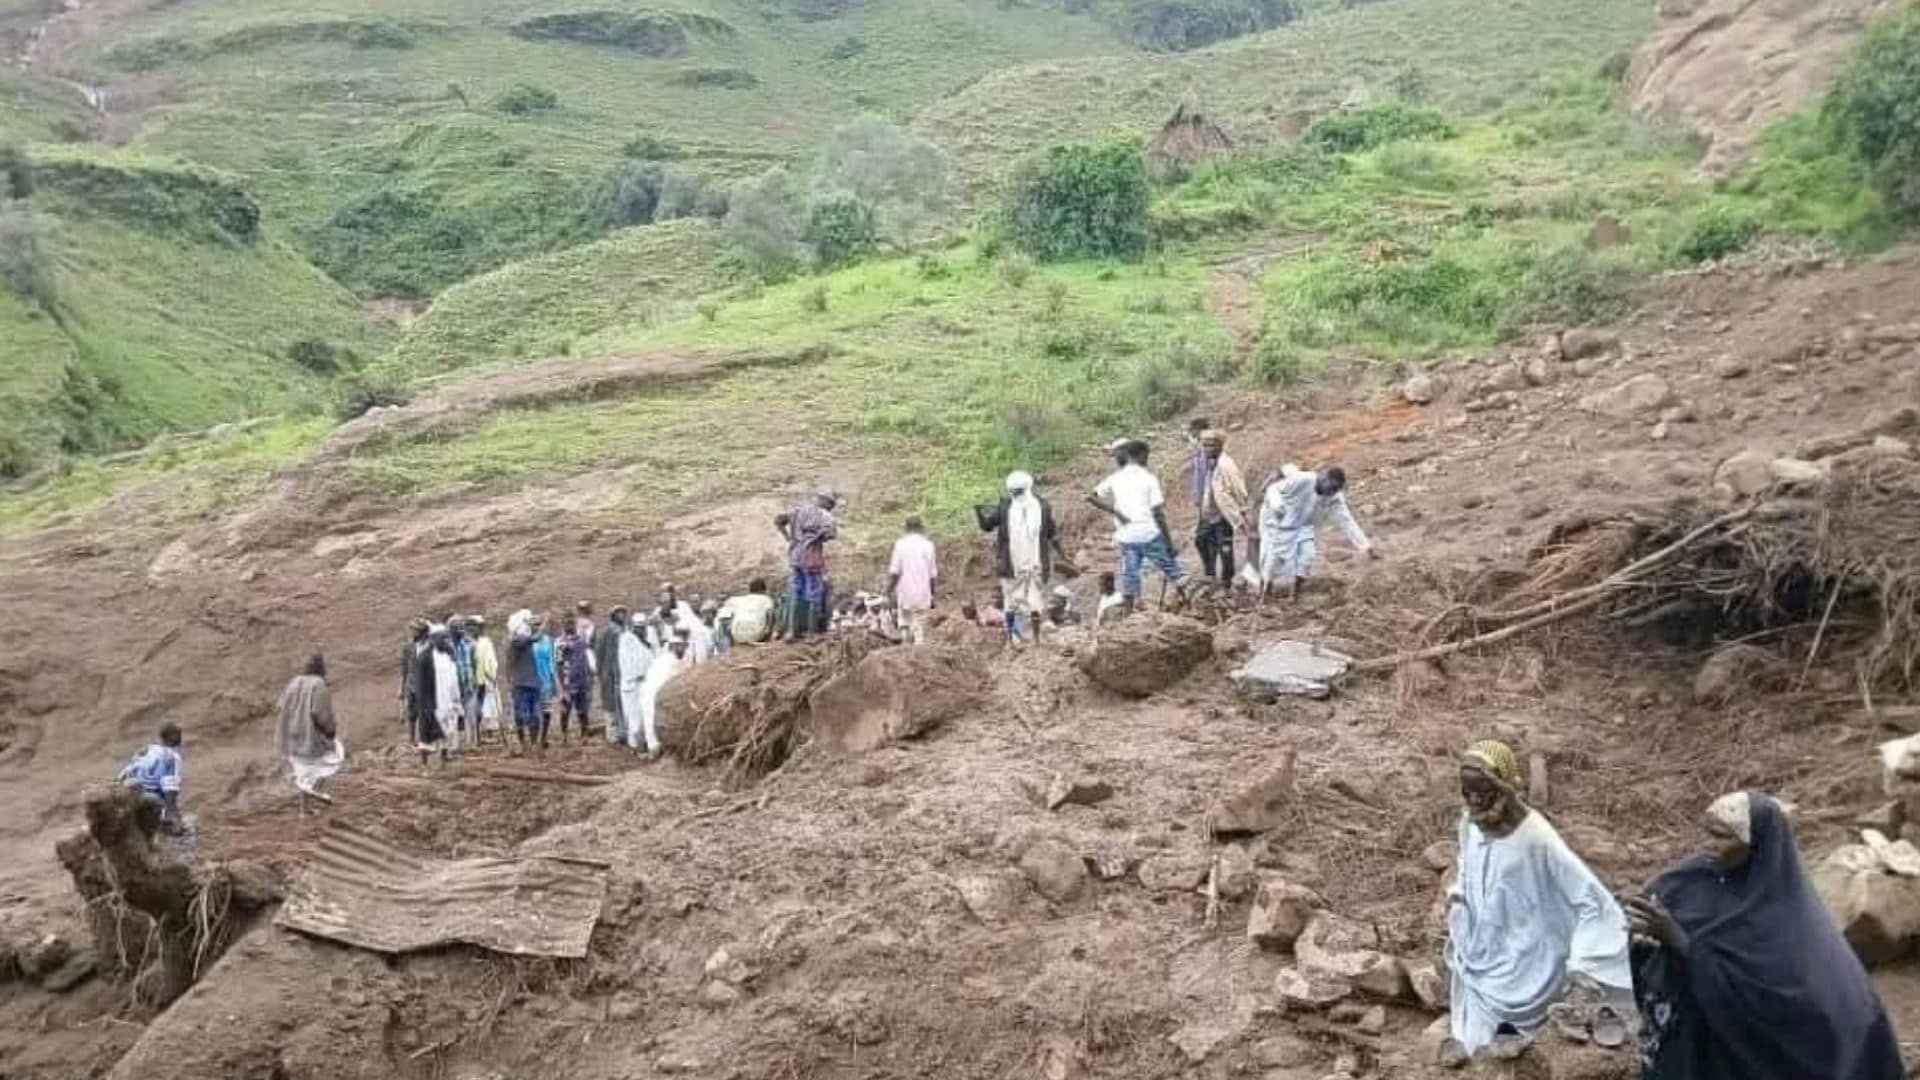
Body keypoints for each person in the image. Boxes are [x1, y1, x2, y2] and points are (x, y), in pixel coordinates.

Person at [1625, 792, 1905, 1080]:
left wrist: (1680, 942)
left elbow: (1763, 1003)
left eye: (1723, 837)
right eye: (1708, 833)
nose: (1709, 845)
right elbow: (1653, 900)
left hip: (1759, 1053)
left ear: (1755, 846)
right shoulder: (1697, 873)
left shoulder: (1783, 917)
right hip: (1698, 1038)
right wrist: (1643, 933)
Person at [1443, 740, 1632, 1066]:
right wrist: (1459, 895)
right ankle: (1478, 1040)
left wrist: (1583, 964)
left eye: (1482, 791)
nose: (1474, 800)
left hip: (1531, 951)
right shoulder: (1471, 822)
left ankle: (1517, 1030)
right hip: (1485, 941)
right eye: (1467, 791)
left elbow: (1590, 898)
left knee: (1516, 995)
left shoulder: (1536, 838)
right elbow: (1467, 863)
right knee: (1472, 1003)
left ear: (1503, 787)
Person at [1090, 440, 1187, 612]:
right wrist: (1168, 542)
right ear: (1142, 455)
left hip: (1127, 536)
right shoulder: (1148, 478)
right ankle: (1188, 602)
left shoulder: (1115, 478)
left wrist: (1115, 511)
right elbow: (1158, 513)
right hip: (1148, 534)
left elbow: (1091, 496)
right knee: (1171, 568)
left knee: (1130, 574)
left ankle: (1127, 613)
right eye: (1146, 456)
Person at [1258, 462, 1373, 601]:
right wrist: (1278, 506)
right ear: (1323, 477)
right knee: (1273, 558)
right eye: (1330, 488)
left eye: (1335, 490)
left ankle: (1294, 595)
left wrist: (1366, 546)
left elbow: (1347, 522)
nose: (1330, 493)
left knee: (1307, 557)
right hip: (1276, 520)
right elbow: (1273, 489)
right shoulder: (1303, 479)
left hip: (1303, 525)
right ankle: (1264, 593)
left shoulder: (1334, 498)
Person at [978, 472, 1070, 643]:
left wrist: (1063, 556)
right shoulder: (1008, 506)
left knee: (1033, 601)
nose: (1015, 494)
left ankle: (1033, 639)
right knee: (1012, 601)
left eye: (1017, 491)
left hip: (1031, 562)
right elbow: (988, 526)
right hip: (1012, 562)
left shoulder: (1041, 507)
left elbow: (1051, 533)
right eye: (1013, 491)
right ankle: (1015, 640)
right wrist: (980, 513)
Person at [277, 651, 343, 806]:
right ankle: (317, 794)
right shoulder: (318, 684)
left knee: (302, 770)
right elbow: (320, 712)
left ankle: (304, 809)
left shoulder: (294, 682)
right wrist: (330, 730)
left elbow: (281, 705)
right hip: (311, 735)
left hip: (292, 736)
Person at [1185, 428, 1251, 585]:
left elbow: (1239, 489)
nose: (1207, 448)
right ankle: (1210, 573)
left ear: (1220, 445)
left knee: (1225, 547)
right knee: (1200, 541)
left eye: (1211, 445)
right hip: (1208, 512)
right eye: (1205, 445)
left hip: (1223, 513)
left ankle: (1227, 580)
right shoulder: (1209, 462)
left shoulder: (1226, 465)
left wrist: (1243, 510)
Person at [775, 489, 838, 641]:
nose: (830, 508)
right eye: (831, 505)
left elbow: (778, 520)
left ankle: (792, 631)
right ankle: (811, 633)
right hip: (812, 559)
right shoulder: (825, 516)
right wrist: (816, 538)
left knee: (795, 592)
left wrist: (789, 538)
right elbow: (831, 534)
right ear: (827, 503)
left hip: (795, 557)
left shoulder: (797, 511)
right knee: (814, 595)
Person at [118, 722, 187, 833]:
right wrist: (174, 818)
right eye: (179, 734)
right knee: (180, 832)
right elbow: (170, 791)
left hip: (123, 795)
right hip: (146, 800)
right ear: (173, 736)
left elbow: (123, 775)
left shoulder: (145, 750)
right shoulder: (172, 757)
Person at [635, 630, 688, 760]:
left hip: (655, 692)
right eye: (678, 646)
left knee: (648, 720)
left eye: (682, 646)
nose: (682, 649)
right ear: (672, 647)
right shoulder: (668, 661)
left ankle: (645, 747)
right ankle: (651, 749)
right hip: (652, 693)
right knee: (650, 720)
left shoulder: (674, 660)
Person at [887, 517, 939, 644]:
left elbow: (895, 571)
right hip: (923, 593)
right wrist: (932, 594)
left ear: (906, 528)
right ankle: (918, 653)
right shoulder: (928, 546)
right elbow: (932, 575)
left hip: (904, 592)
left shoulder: (900, 545)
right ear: (921, 528)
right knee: (919, 626)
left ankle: (905, 649)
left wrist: (889, 590)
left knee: (904, 623)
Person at [506, 609, 543, 755]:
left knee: (533, 716)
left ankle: (531, 744)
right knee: (521, 716)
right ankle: (524, 744)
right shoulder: (516, 641)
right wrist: (542, 626)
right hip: (522, 684)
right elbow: (537, 637)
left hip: (529, 683)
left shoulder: (520, 640)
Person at [618, 613, 653, 754]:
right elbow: (626, 662)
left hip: (646, 683)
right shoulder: (626, 639)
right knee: (633, 716)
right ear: (632, 626)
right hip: (632, 683)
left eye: (642, 627)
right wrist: (638, 674)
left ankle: (645, 742)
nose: (640, 630)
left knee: (646, 714)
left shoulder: (649, 637)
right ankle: (636, 746)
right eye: (637, 627)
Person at [554, 621, 594, 745]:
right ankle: (564, 736)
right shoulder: (560, 642)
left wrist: (589, 677)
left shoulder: (581, 641)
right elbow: (558, 664)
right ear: (564, 626)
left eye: (572, 624)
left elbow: (587, 659)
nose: (570, 626)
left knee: (583, 710)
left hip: (581, 680)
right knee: (565, 710)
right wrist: (562, 686)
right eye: (567, 624)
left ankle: (584, 735)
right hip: (568, 681)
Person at [598, 606, 632, 744]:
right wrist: (602, 672)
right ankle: (612, 734)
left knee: (625, 703)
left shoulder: (627, 632)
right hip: (609, 674)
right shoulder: (607, 632)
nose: (622, 616)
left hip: (624, 673)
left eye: (624, 613)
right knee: (610, 705)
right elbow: (600, 653)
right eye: (619, 613)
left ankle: (625, 732)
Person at [430, 626, 462, 763]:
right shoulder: (430, 658)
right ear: (434, 640)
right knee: (439, 725)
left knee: (450, 725)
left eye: (446, 638)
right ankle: (438, 754)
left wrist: (456, 699)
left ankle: (445, 752)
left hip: (449, 697)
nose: (445, 641)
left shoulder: (448, 656)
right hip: (436, 698)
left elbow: (454, 679)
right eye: (442, 638)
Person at [719, 579, 776, 648]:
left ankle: (730, 644)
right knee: (770, 614)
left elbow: (724, 615)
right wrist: (768, 629)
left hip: (737, 635)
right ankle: (767, 638)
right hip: (757, 635)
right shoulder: (766, 599)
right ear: (763, 590)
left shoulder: (736, 600)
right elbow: (771, 615)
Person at [470, 616, 500, 745]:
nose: (478, 629)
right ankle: (475, 735)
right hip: (473, 680)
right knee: (476, 707)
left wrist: (491, 674)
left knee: (488, 705)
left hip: (486, 679)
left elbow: (491, 660)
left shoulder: (486, 642)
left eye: (480, 627)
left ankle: (488, 732)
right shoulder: (469, 643)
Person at [399, 617, 429, 744]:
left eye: (414, 630)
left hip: (424, 684)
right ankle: (412, 739)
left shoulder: (428, 646)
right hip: (411, 684)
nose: (411, 632)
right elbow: (404, 668)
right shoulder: (407, 647)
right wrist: (401, 687)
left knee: (424, 713)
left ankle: (423, 738)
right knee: (412, 714)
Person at [533, 613, 559, 738]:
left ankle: (543, 736)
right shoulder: (528, 641)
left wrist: (553, 681)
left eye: (538, 625)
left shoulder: (548, 640)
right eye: (534, 625)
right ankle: (535, 736)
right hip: (532, 681)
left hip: (545, 680)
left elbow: (551, 661)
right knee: (534, 710)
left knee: (546, 710)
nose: (536, 627)